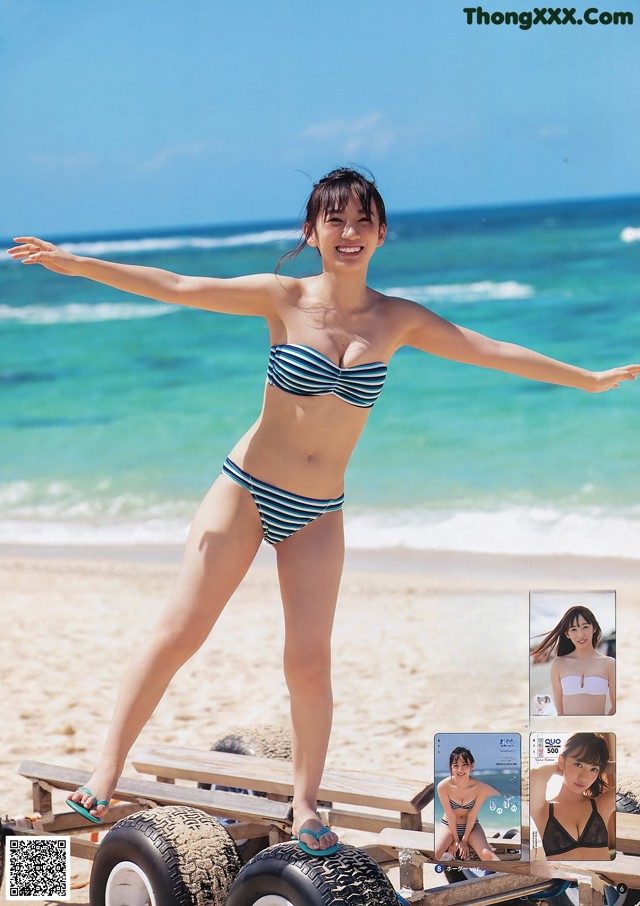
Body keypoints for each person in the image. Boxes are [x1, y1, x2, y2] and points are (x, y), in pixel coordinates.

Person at [8, 167, 639, 854]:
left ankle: (305, 804)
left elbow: (488, 350)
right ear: (311, 232)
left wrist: (587, 379)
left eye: (363, 219)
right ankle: (105, 772)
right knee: (180, 632)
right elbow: (177, 286)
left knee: (308, 661)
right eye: (335, 220)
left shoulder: (397, 319)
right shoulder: (281, 298)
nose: (350, 232)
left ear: (382, 233)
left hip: (317, 507)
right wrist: (74, 263)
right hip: (246, 487)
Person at [529, 732, 615, 861]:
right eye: (578, 764)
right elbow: (535, 776)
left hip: (603, 880)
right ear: (562, 761)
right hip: (564, 881)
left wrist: (604, 766)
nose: (584, 777)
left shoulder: (600, 807)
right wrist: (558, 767)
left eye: (593, 769)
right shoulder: (543, 810)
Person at [531, 605, 615, 716]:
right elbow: (560, 712)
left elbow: (616, 706)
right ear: (567, 634)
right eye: (574, 629)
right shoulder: (558, 664)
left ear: (594, 628)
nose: (580, 635)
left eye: (585, 627)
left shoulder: (609, 664)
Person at [435, 747, 502, 861]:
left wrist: (464, 841)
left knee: (488, 855)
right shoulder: (443, 786)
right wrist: (455, 840)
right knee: (434, 854)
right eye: (455, 765)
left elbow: (472, 816)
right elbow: (450, 815)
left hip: (472, 827)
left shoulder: (480, 787)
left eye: (464, 764)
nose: (460, 769)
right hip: (448, 826)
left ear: (472, 766)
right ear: (450, 767)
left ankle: (507, 878)